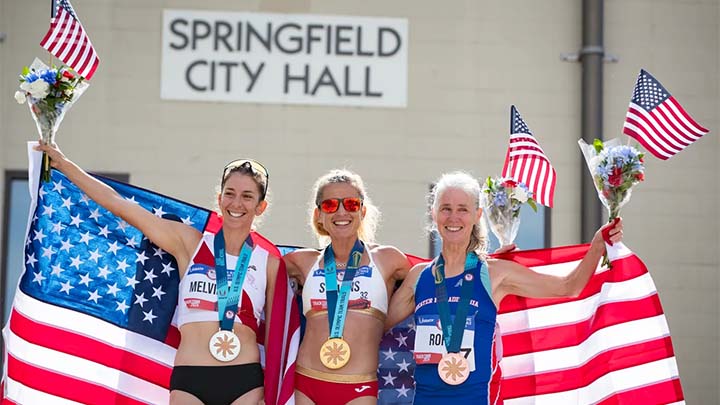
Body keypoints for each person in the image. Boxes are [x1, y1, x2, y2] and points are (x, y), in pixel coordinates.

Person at [37, 142, 280, 405]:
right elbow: (120, 206)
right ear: (219, 198)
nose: (236, 203)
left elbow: (288, 322)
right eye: (230, 193)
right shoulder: (191, 244)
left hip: (244, 380)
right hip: (191, 377)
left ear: (260, 206)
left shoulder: (270, 262)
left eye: (247, 196)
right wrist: (64, 164)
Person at [385, 171, 623, 405]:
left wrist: (596, 247)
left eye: (463, 209)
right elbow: (378, 325)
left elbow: (567, 287)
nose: (453, 217)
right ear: (434, 214)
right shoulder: (420, 276)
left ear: (477, 215)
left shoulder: (493, 273)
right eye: (446, 208)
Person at [283, 169, 412, 405]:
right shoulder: (300, 262)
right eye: (331, 205)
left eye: (351, 204)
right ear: (319, 214)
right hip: (307, 383)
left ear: (362, 211)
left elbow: (440, 274)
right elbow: (251, 265)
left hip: (360, 387)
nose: (342, 211)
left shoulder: (388, 259)